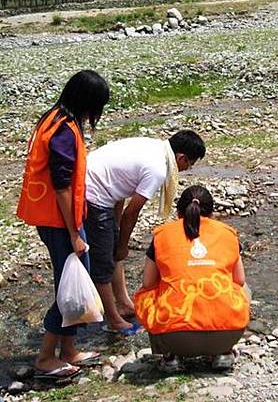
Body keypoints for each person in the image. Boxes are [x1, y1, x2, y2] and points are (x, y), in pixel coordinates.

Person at [17, 70, 110, 380]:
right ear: (88, 102)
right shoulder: (64, 130)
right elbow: (61, 186)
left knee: (73, 280)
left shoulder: (54, 118)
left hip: (54, 218)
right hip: (59, 222)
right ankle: (45, 357)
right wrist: (74, 234)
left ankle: (69, 350)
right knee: (68, 288)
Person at [84, 130, 205, 335]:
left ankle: (123, 303)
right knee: (104, 261)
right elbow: (131, 213)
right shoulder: (158, 168)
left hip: (96, 182)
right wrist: (123, 245)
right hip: (91, 193)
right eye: (189, 164)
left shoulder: (154, 146)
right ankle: (114, 319)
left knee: (112, 249)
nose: (187, 169)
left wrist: (116, 230)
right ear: (181, 158)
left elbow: (120, 182)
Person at [134, 184, 250, 372]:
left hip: (174, 337)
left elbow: (148, 283)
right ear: (211, 213)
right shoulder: (228, 233)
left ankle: (171, 356)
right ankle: (223, 352)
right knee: (242, 289)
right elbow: (240, 280)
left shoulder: (162, 235)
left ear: (180, 212)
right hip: (226, 333)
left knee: (146, 293)